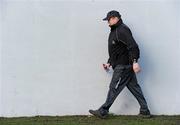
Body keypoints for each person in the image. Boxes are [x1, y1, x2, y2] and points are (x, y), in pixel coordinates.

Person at [89, 10, 151, 119]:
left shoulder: (122, 30)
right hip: (123, 65)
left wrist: (135, 61)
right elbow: (116, 50)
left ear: (115, 18)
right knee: (134, 88)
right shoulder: (115, 30)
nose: (107, 22)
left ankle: (103, 111)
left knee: (114, 87)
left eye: (109, 19)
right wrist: (109, 63)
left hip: (123, 66)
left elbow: (133, 46)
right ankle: (145, 110)